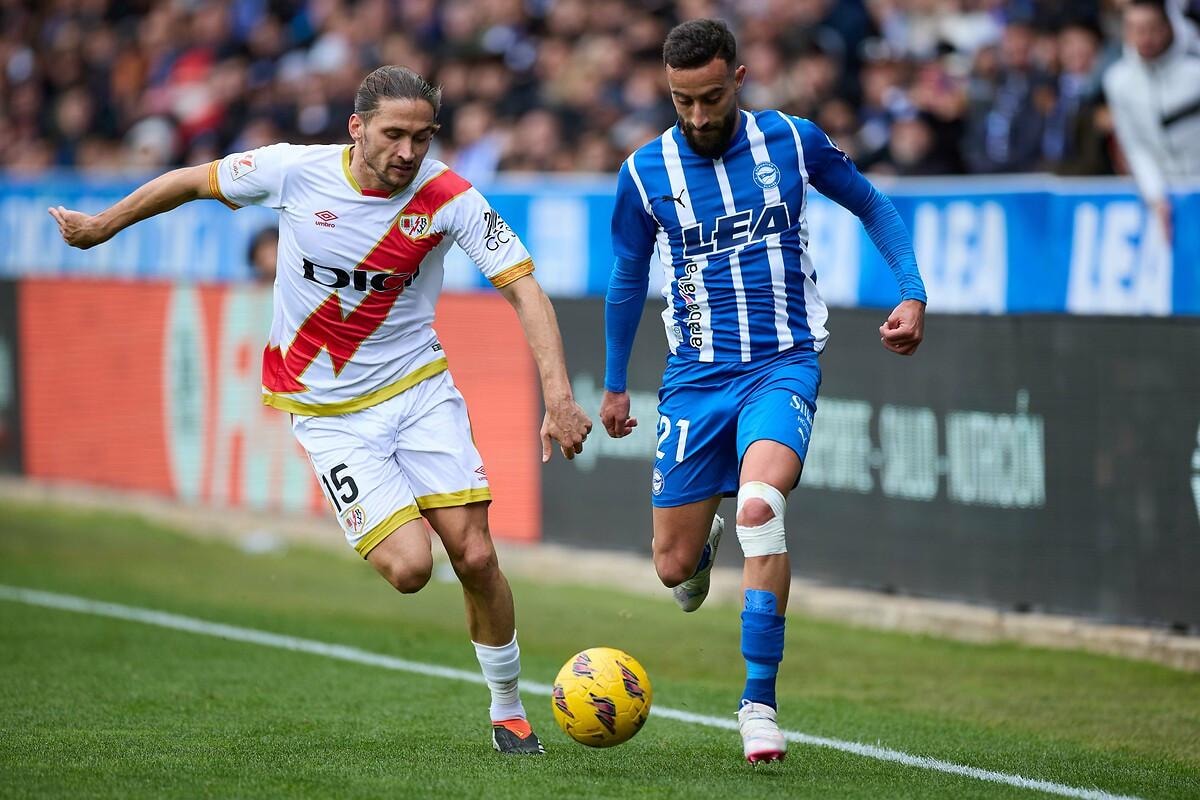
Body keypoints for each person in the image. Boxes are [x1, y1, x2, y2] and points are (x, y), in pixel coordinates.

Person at [49, 64, 593, 756]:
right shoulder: (293, 171)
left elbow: (524, 288)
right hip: (328, 412)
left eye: (423, 137)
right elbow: (190, 180)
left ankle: (509, 712)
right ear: (356, 128)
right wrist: (103, 225)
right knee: (411, 569)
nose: (408, 152)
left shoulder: (449, 196)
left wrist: (558, 397)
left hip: (418, 391)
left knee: (477, 555)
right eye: (394, 135)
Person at [600, 19, 926, 764]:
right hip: (694, 379)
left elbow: (873, 203)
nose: (698, 116)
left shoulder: (792, 140)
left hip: (783, 363)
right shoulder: (645, 173)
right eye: (683, 101)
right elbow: (626, 277)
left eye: (711, 98)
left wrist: (912, 291)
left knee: (760, 507)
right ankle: (702, 548)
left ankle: (758, 704)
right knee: (673, 567)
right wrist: (615, 386)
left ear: (739, 80)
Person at [1102, 0, 1200, 241]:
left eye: (1151, 28)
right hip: (1165, 200)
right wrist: (1155, 196)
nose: (1144, 38)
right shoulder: (1117, 81)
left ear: (1168, 27)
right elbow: (1135, 146)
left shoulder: (1196, 71)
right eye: (1135, 29)